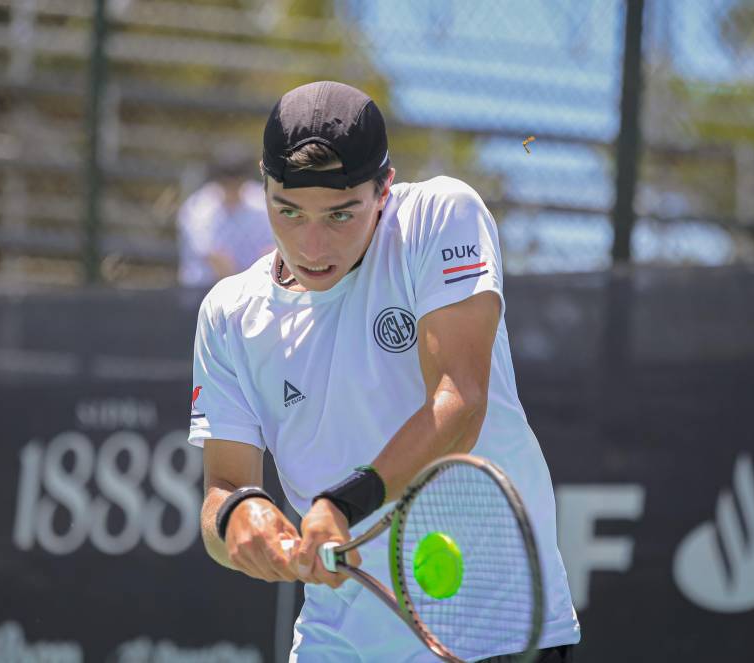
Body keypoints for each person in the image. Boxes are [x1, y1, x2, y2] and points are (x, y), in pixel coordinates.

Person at [191, 81, 580, 661]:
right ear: (264, 187)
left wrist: (341, 505)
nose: (311, 244)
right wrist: (237, 518)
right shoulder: (227, 314)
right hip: (334, 644)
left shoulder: (440, 216)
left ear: (384, 189)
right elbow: (222, 490)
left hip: (494, 636)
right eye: (288, 211)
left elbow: (460, 401)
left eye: (340, 215)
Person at [177, 148, 275, 288]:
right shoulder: (198, 208)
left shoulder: (263, 202)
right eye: (226, 179)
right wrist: (243, 292)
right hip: (204, 289)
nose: (232, 184)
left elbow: (271, 250)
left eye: (237, 177)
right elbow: (216, 260)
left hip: (258, 285)